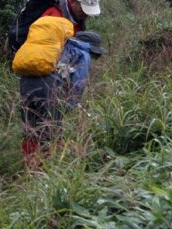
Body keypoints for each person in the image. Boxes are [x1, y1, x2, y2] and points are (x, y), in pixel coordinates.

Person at [20, 30, 107, 169]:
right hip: (49, 88)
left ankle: (27, 166)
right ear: (92, 48)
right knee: (51, 131)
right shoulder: (83, 54)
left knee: (30, 129)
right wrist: (66, 107)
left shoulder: (59, 45)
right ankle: (44, 171)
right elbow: (77, 86)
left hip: (26, 82)